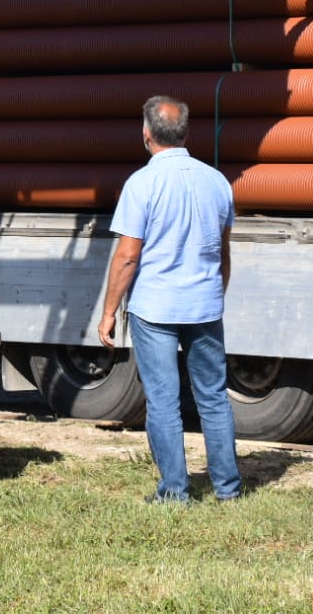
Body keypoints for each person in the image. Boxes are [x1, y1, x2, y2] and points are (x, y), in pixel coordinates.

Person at [97, 95, 242, 504]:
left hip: (156, 306)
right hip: (204, 304)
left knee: (163, 400)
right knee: (212, 396)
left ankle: (174, 492)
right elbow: (224, 253)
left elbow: (128, 256)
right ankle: (227, 488)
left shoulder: (141, 184)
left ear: (146, 134)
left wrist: (109, 312)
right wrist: (216, 293)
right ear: (186, 133)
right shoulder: (217, 181)